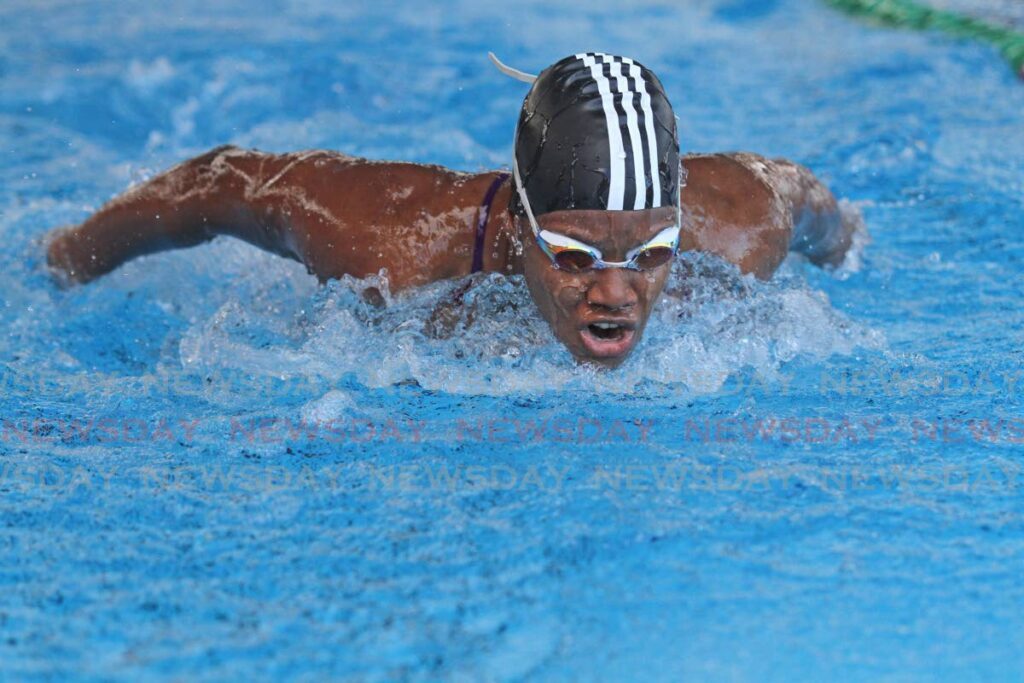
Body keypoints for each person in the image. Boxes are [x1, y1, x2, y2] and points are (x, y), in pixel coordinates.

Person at [45, 52, 855, 368]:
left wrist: (845, 247)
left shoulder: (743, 222)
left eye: (649, 253)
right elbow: (221, 182)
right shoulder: (389, 242)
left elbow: (813, 203)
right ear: (518, 224)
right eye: (575, 255)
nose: (616, 293)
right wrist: (71, 256)